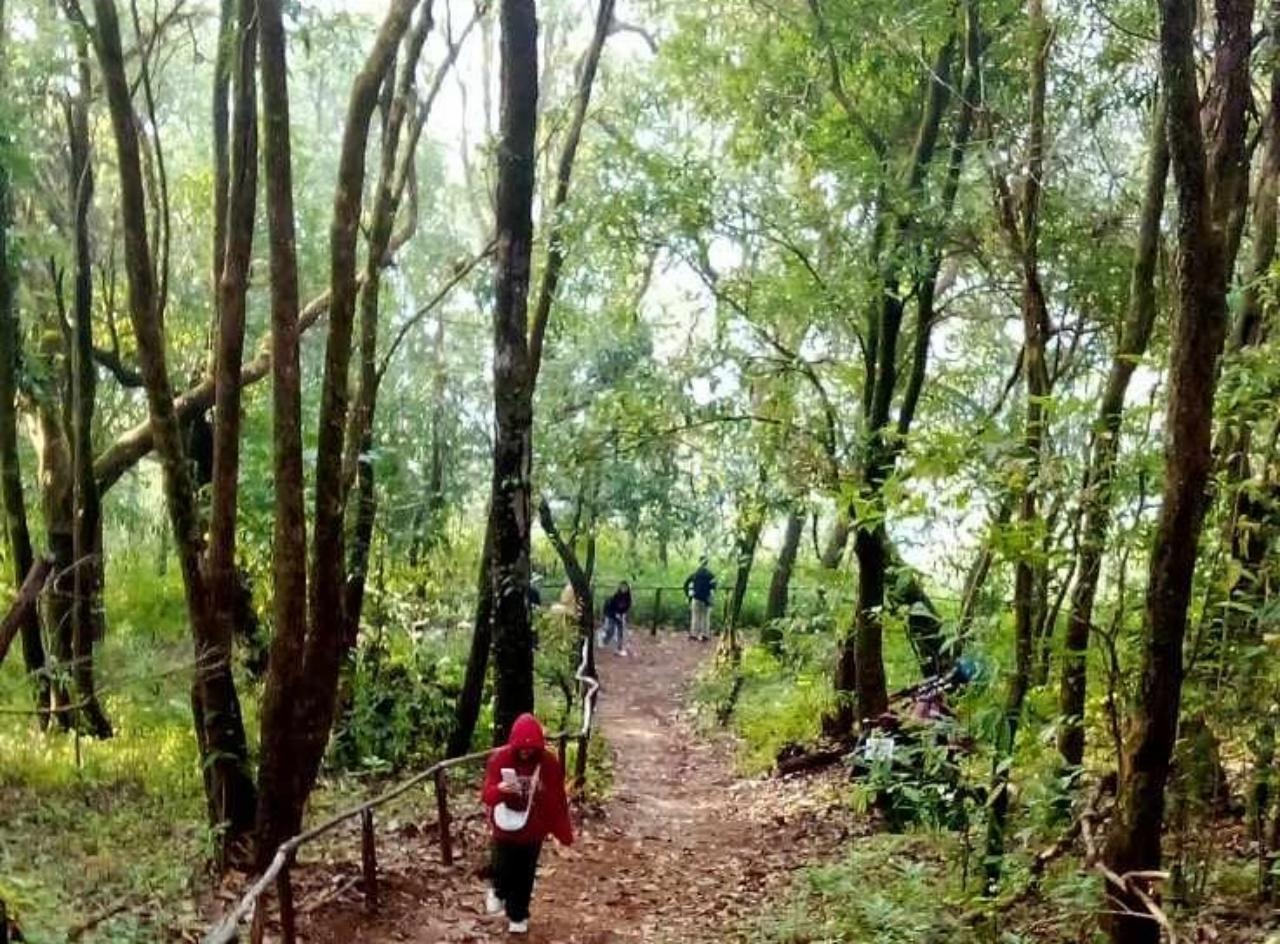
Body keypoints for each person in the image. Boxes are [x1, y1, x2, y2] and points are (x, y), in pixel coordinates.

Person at [480, 713, 574, 935]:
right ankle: (499, 890)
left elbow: (556, 800)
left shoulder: (548, 764)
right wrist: (500, 791)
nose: (526, 753)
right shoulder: (500, 759)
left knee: (525, 873)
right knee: (502, 867)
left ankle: (518, 914)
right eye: (522, 749)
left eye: (531, 749)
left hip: (533, 829)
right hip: (504, 828)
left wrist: (563, 832)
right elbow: (487, 795)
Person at [683, 557, 717, 641]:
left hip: (696, 597)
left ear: (699, 562)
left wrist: (688, 594)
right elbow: (714, 586)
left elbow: (686, 584)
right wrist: (711, 596)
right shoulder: (710, 575)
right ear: (707, 563)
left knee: (695, 616)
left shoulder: (695, 574)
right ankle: (704, 634)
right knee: (705, 617)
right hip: (706, 599)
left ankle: (694, 634)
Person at [598, 581, 633, 656]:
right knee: (611, 631)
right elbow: (610, 607)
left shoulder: (628, 598)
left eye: (625, 587)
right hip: (611, 615)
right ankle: (604, 641)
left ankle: (619, 648)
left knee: (621, 632)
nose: (623, 589)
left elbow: (627, 607)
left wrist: (622, 614)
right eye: (622, 587)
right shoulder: (615, 596)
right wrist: (615, 614)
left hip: (620, 615)